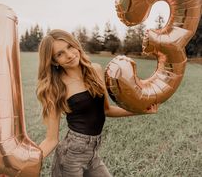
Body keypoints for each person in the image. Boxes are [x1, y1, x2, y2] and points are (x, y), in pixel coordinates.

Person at [36, 29, 157, 177]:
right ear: (54, 61)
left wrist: (141, 110)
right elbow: (51, 140)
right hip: (70, 156)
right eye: (59, 54)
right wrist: (23, 166)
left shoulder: (96, 70)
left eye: (69, 47)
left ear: (75, 45)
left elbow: (106, 110)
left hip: (92, 153)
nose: (69, 55)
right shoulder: (55, 87)